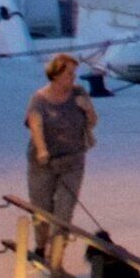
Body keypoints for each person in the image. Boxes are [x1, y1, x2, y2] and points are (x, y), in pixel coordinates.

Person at [24, 54, 95, 262]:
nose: (73, 78)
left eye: (74, 73)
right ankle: (40, 246)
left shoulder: (79, 93)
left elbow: (92, 122)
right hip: (44, 163)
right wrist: (41, 150)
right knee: (42, 207)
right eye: (69, 73)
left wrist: (87, 109)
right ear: (55, 75)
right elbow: (35, 125)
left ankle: (57, 255)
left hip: (72, 160)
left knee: (64, 211)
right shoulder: (39, 99)